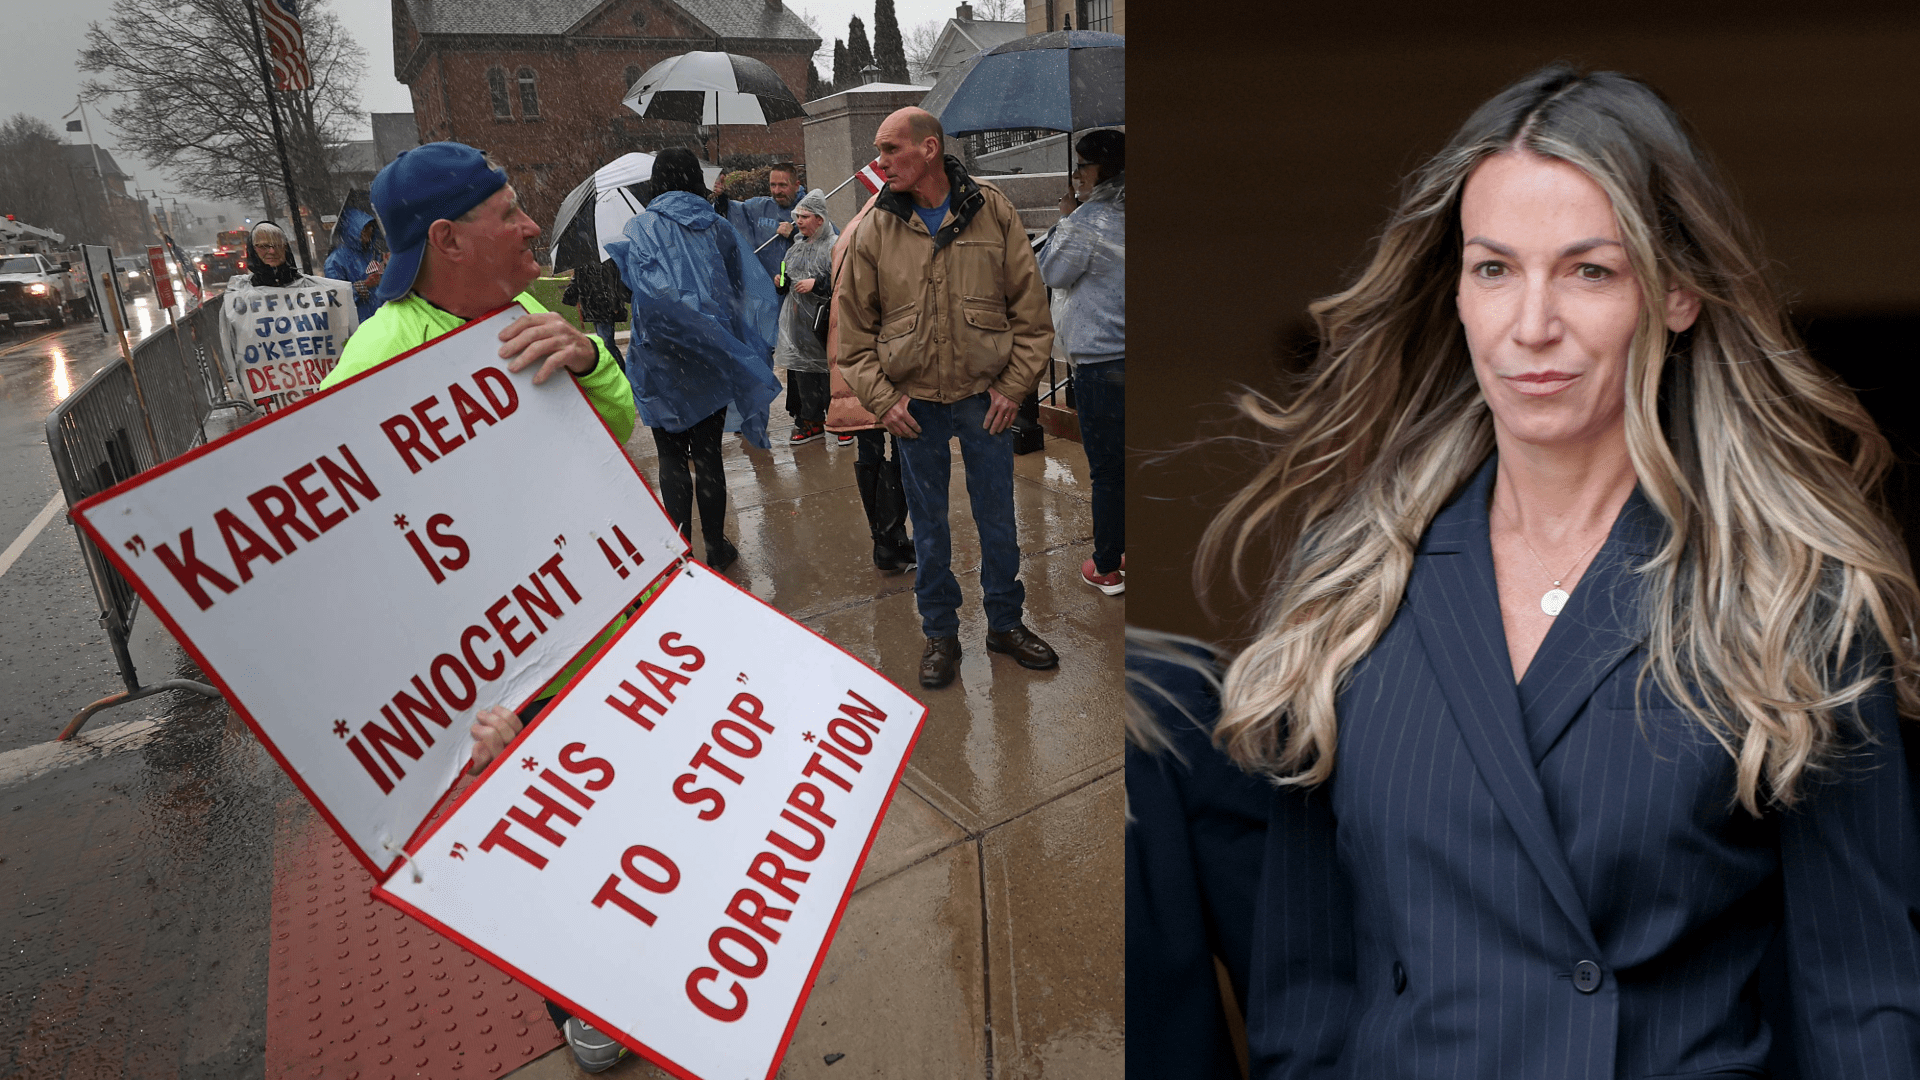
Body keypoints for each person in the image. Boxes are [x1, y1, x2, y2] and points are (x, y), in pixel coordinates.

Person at [1190, 65, 1920, 1077]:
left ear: (1675, 293)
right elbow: (1303, 997)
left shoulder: (1790, 595)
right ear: (1456, 290)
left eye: (1589, 271)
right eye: (1495, 269)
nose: (1531, 325)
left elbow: (1863, 1005)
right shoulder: (1352, 579)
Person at [312, 141, 640, 1075]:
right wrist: (453, 704)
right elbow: (348, 550)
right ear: (448, 240)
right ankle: (582, 1002)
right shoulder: (380, 353)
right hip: (500, 681)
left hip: (587, 631)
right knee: (548, 847)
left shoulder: (530, 306)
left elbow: (613, 423)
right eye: (509, 214)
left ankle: (650, 961)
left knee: (620, 819)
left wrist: (586, 358)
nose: (534, 225)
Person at [839, 106, 1058, 690]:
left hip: (984, 399)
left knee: (998, 520)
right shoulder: (873, 229)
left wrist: (1014, 387)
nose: (880, 162)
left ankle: (1005, 625)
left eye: (890, 149)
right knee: (929, 528)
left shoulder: (993, 211)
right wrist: (884, 401)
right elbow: (853, 336)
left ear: (929, 148)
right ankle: (940, 634)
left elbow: (1032, 316)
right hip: (914, 408)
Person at [605, 146, 783, 573]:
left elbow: (637, 290)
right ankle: (718, 546)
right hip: (709, 353)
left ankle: (681, 548)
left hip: (659, 358)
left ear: (655, 181)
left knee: (670, 456)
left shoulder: (640, 227)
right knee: (707, 455)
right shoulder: (717, 227)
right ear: (693, 180)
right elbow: (741, 288)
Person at [1038, 129, 1126, 597]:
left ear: (1102, 170)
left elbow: (1051, 272)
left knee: (1109, 468)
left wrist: (1068, 218)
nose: (1075, 174)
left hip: (1102, 365)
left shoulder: (1088, 221)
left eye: (1082, 167)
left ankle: (1108, 564)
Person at [825, 191, 915, 573]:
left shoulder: (850, 230)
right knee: (900, 446)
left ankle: (884, 538)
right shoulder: (884, 232)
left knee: (870, 446)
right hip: (877, 357)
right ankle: (891, 540)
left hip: (847, 354)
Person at [773, 189, 837, 445]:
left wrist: (818, 284)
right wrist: (781, 282)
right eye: (797, 216)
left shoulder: (834, 246)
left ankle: (841, 420)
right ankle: (812, 422)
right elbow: (786, 276)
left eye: (805, 216)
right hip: (799, 323)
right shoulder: (796, 247)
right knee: (804, 374)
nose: (798, 221)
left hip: (826, 321)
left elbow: (843, 279)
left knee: (832, 372)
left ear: (820, 219)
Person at [716, 161, 808, 283]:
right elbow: (731, 213)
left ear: (796, 185)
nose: (776, 191)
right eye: (773, 185)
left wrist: (795, 234)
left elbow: (825, 245)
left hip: (797, 288)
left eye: (782, 185)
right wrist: (721, 197)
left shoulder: (810, 211)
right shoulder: (760, 207)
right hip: (765, 288)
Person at [324, 208, 384, 325]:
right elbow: (334, 296)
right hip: (358, 324)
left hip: (381, 319)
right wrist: (364, 285)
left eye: (371, 227)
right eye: (364, 228)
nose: (369, 231)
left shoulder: (374, 253)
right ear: (352, 231)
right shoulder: (335, 260)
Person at [561, 257, 630, 360]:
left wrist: (615, 305)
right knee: (605, 343)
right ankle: (618, 369)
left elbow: (613, 281)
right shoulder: (583, 263)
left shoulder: (605, 260)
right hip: (593, 306)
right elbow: (577, 281)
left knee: (606, 344)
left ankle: (618, 369)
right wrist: (569, 296)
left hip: (604, 306)